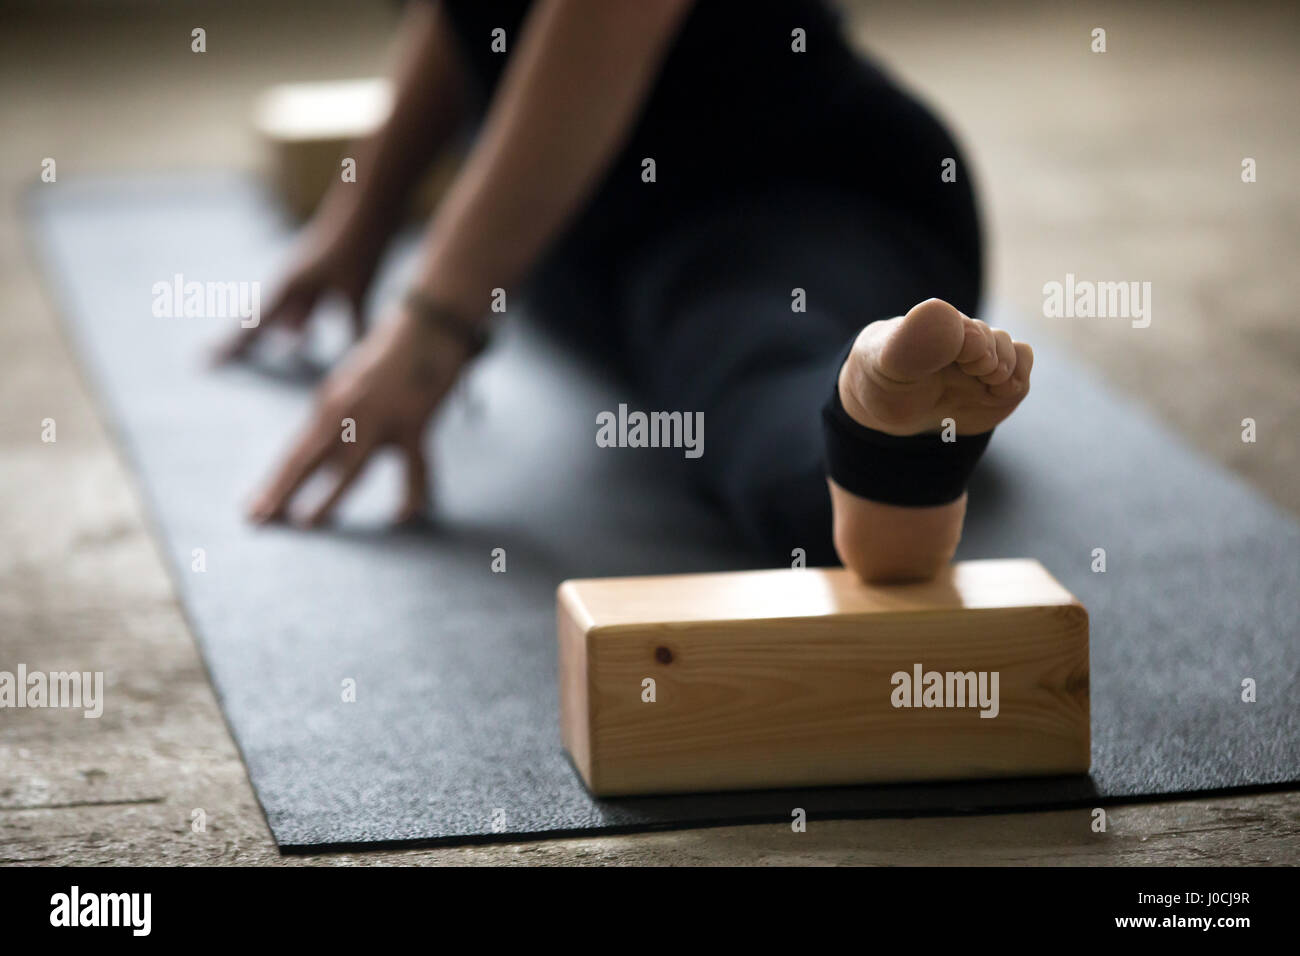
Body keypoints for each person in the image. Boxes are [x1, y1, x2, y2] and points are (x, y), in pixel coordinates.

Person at [222, 0, 1033, 583]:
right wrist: (360, 218)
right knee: (697, 349)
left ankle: (887, 437)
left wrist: (432, 323)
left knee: (747, 363)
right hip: (598, 242)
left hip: (786, 190)